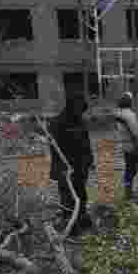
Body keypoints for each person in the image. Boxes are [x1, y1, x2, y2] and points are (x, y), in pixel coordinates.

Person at [48, 93, 94, 236]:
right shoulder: (57, 123)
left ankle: (82, 218)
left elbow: (86, 143)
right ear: (72, 107)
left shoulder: (80, 121)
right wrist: (61, 168)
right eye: (79, 110)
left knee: (81, 193)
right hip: (65, 167)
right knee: (68, 196)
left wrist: (90, 160)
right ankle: (70, 224)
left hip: (81, 166)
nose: (81, 113)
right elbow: (54, 148)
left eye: (82, 111)